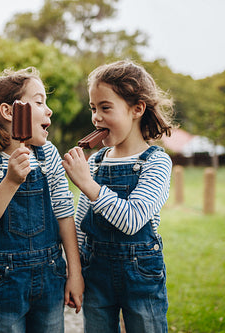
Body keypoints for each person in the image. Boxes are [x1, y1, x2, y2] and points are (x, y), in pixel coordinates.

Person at [0, 67, 84, 333]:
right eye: (39, 102)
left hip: (51, 275)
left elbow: (64, 214)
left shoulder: (47, 154)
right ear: (9, 112)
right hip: (4, 282)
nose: (48, 110)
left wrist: (75, 273)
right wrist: (11, 180)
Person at [62, 59, 174, 333]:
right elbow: (80, 225)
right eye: (93, 108)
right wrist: (74, 273)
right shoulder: (96, 161)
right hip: (96, 272)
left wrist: (88, 185)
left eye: (105, 107)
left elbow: (133, 219)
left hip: (140, 274)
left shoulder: (156, 162)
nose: (96, 117)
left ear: (137, 109)